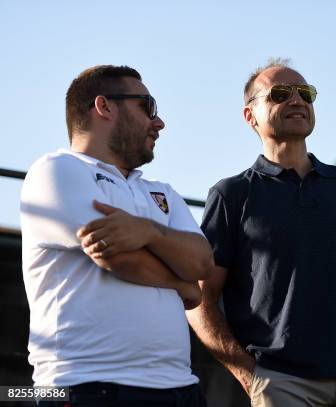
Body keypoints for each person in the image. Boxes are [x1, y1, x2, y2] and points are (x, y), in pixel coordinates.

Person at [187, 60, 336, 406]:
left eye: (305, 93)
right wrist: (247, 372)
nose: (297, 100)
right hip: (282, 382)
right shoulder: (232, 195)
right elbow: (199, 297)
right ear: (251, 116)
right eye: (280, 94)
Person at [20, 65, 214, 406]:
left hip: (181, 389)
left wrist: (148, 231)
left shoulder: (162, 192)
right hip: (87, 386)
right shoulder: (57, 169)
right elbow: (115, 255)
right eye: (147, 106)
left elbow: (201, 263)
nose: (159, 122)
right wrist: (181, 285)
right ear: (104, 106)